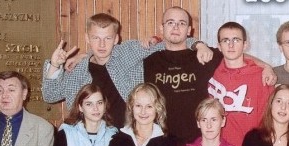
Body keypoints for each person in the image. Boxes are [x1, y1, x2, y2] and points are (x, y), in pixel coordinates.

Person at [42, 12, 209, 127]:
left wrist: (198, 45)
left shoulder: (128, 52)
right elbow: (50, 95)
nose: (102, 44)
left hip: (130, 136)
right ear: (87, 38)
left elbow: (172, 42)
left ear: (116, 39)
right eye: (96, 38)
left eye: (107, 38)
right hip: (91, 139)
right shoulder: (78, 70)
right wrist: (55, 65)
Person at [144, 7, 275, 145]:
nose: (176, 27)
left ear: (189, 30)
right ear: (161, 28)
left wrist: (266, 66)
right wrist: (151, 41)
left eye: (182, 23)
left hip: (199, 142)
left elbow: (233, 54)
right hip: (161, 140)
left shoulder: (205, 56)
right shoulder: (149, 61)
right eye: (170, 22)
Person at [208, 22, 274, 146]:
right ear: (219, 46)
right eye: (226, 40)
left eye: (236, 40)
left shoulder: (261, 77)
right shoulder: (211, 71)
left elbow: (267, 124)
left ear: (245, 45)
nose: (231, 45)